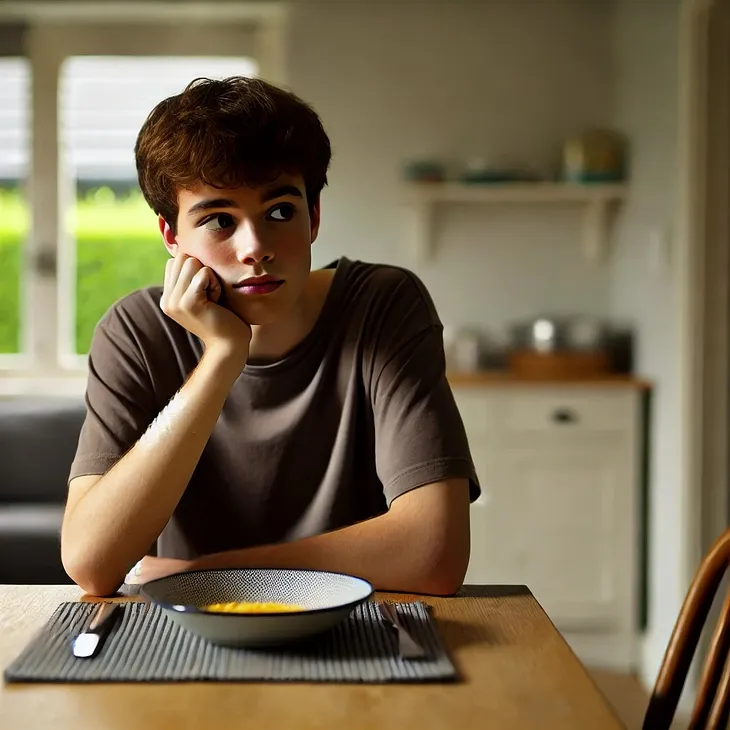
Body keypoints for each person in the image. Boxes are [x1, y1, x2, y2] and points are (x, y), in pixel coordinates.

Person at [60, 76, 480, 597]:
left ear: (314, 218)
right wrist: (221, 358)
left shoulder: (383, 304)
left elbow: (435, 553)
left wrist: (208, 574)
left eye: (280, 211)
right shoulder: (135, 332)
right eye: (218, 220)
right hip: (187, 643)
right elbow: (91, 565)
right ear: (171, 236)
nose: (255, 247)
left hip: (355, 636)